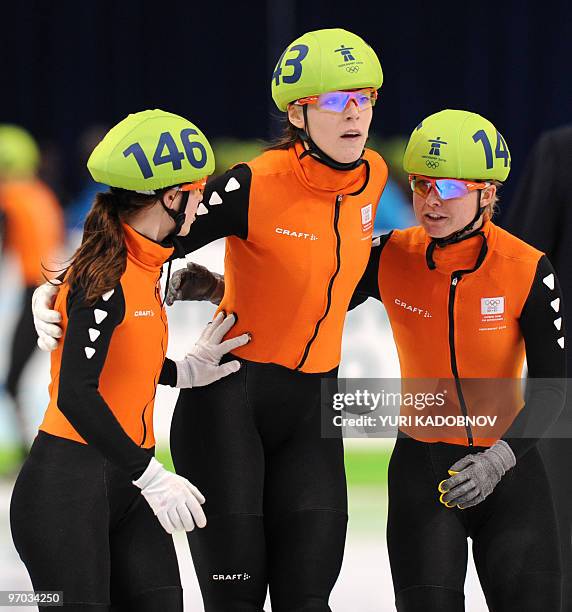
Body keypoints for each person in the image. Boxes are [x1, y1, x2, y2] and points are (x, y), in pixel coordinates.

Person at [32, 28, 388, 611]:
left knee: (308, 598)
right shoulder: (254, 184)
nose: (354, 114)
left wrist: (216, 282)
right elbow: (134, 233)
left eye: (364, 97)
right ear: (298, 113)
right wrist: (52, 294)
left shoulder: (372, 176)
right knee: (234, 601)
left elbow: (334, 280)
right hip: (230, 401)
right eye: (333, 100)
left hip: (312, 408)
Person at [10, 109, 249, 612]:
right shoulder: (104, 281)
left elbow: (124, 357)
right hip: (65, 492)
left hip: (129, 483)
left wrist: (181, 372)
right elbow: (77, 393)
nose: (203, 201)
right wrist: (152, 475)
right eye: (197, 189)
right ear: (169, 196)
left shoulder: (148, 258)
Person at [351, 109, 565, 611]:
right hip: (421, 476)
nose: (429, 201)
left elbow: (554, 386)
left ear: (487, 193)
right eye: (422, 185)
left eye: (446, 188)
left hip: (510, 472)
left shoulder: (527, 267)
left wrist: (498, 460)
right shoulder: (388, 256)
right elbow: (309, 293)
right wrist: (220, 289)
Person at [502, 125, 572, 611]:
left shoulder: (560, 149)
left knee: (559, 528)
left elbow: (522, 259)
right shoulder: (560, 150)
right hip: (561, 382)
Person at [0, 125, 64, 460]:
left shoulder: (10, 197)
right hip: (54, 289)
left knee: (13, 381)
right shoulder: (41, 193)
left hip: (35, 294)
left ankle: (35, 455)